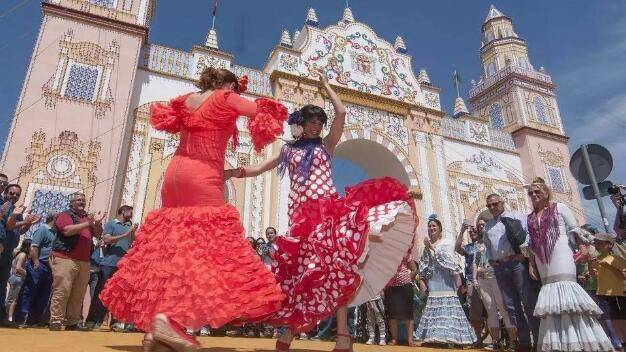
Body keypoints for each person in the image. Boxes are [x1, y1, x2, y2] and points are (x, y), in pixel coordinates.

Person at [227, 71, 418, 352]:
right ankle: (291, 332)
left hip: (328, 214)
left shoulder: (326, 146)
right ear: (301, 124)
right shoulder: (288, 151)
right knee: (301, 276)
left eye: (319, 121)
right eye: (312, 121)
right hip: (300, 219)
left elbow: (341, 112)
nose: (316, 125)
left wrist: (326, 86)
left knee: (336, 270)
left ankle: (342, 336)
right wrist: (233, 171)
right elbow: (259, 168)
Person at [100, 67, 288, 352]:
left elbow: (167, 117)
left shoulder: (186, 99)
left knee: (172, 253)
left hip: (174, 176)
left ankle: (159, 329)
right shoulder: (226, 97)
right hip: (202, 175)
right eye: (235, 88)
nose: (236, 93)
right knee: (205, 254)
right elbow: (263, 113)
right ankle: (168, 318)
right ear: (226, 84)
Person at [526, 177, 612, 351]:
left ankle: (581, 344)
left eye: (537, 192)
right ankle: (558, 344)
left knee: (567, 294)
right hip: (543, 261)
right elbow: (530, 245)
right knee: (551, 301)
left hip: (561, 254)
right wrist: (531, 265)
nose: (534, 195)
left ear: (546, 193)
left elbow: (574, 228)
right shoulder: (530, 217)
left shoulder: (559, 208)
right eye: (531, 193)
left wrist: (583, 248)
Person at [483, 193, 539, 351]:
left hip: (516, 263)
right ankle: (524, 342)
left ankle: (538, 340)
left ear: (502, 202)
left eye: (495, 204)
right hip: (500, 267)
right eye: (489, 205)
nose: (492, 207)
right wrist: (490, 259)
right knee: (511, 306)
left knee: (528, 302)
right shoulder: (488, 226)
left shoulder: (516, 215)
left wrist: (524, 253)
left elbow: (528, 234)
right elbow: (487, 245)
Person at [416, 216, 476, 346]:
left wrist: (431, 247)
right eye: (429, 226)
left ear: (440, 229)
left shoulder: (446, 242)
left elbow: (449, 261)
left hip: (446, 279)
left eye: (434, 226)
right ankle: (435, 337)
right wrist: (422, 279)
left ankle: (451, 337)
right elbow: (424, 263)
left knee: (448, 307)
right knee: (434, 307)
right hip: (433, 279)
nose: (431, 228)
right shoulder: (426, 245)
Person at [49, 192, 106, 331]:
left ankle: (72, 322)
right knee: (62, 290)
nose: (82, 202)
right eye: (78, 200)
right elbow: (67, 231)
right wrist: (88, 223)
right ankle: (56, 320)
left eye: (83, 200)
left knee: (78, 292)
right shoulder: (65, 215)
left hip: (84, 261)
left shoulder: (87, 219)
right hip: (65, 258)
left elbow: (99, 236)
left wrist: (97, 224)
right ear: (71, 203)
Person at [84, 205, 138, 331]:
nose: (131, 213)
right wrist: (126, 234)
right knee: (101, 293)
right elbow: (106, 239)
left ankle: (114, 322)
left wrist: (132, 232)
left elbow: (133, 242)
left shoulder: (129, 226)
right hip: (108, 264)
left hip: (123, 265)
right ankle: (92, 321)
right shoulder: (111, 224)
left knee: (118, 295)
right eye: (130, 211)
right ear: (123, 211)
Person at [472, 218, 516, 351]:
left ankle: (513, 342)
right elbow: (476, 261)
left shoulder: (495, 240)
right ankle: (496, 342)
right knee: (490, 310)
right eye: (479, 225)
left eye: (483, 224)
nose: (481, 227)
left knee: (503, 309)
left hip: (496, 277)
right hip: (482, 279)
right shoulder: (478, 244)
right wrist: (474, 278)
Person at [18, 212, 57, 327]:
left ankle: (33, 320)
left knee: (43, 294)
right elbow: (34, 246)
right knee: (29, 291)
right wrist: (36, 262)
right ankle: (21, 318)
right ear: (54, 218)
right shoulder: (43, 230)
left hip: (49, 267)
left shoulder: (55, 233)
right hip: (39, 265)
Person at [593, 232, 626, 350]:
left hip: (617, 293)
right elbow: (594, 276)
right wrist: (590, 263)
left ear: (609, 245)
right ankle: (620, 343)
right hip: (602, 293)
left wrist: (609, 267)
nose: (598, 244)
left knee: (622, 319)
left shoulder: (616, 259)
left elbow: (623, 276)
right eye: (597, 242)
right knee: (612, 320)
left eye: (601, 242)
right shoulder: (597, 259)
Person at [454, 220, 484, 342]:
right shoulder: (469, 248)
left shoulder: (484, 243)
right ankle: (478, 339)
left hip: (487, 279)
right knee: (474, 310)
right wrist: (462, 231)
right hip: (472, 281)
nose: (472, 233)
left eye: (474, 231)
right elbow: (457, 248)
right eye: (470, 232)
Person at [384, 252, 417, 346]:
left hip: (405, 286)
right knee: (392, 313)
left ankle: (410, 340)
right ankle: (394, 339)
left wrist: (407, 279)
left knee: (408, 313)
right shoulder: (386, 254)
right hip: (391, 286)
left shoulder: (406, 253)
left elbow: (414, 269)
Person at [5, 240, 29, 321]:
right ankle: (9, 318)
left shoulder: (18, 253)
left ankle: (8, 317)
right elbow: (18, 268)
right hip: (17, 278)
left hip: (14, 277)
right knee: (13, 300)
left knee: (11, 298)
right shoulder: (23, 255)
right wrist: (26, 273)